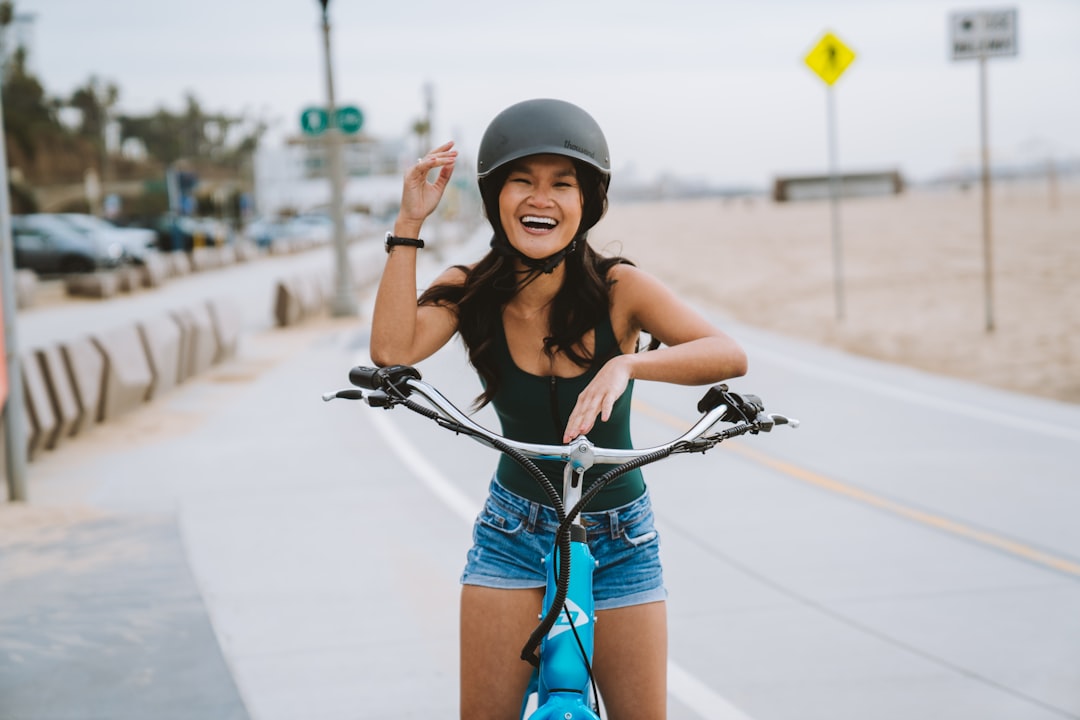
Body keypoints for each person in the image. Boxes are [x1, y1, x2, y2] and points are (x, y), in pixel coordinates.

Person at [370, 98, 747, 720]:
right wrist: (410, 221)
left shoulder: (621, 288)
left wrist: (628, 363)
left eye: (561, 184)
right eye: (522, 180)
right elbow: (391, 349)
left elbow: (726, 354)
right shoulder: (471, 288)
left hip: (622, 533)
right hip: (512, 535)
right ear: (496, 198)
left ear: (586, 203)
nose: (539, 198)